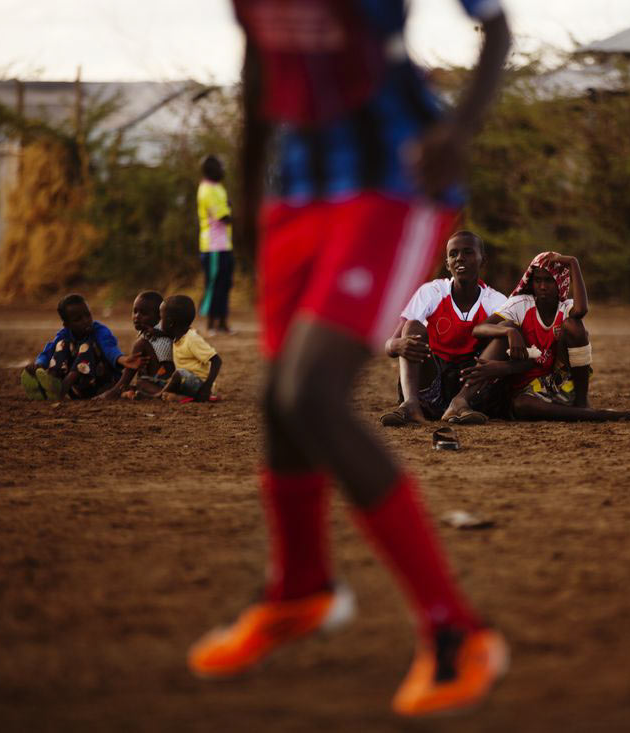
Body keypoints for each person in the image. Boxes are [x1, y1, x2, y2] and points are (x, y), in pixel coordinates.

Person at [188, 0, 512, 717]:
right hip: (293, 199)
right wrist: (252, 209)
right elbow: (258, 74)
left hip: (391, 188)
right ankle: (299, 591)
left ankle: (459, 629)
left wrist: (458, 131)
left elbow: (498, 25)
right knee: (279, 400)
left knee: (312, 396)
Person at [442, 252, 630, 422]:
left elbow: (581, 310)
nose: (542, 286)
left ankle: (583, 404)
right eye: (538, 280)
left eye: (549, 280)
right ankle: (460, 401)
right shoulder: (522, 304)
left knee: (575, 327)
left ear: (560, 283)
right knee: (505, 330)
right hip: (524, 386)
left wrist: (572, 261)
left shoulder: (565, 308)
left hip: (557, 381)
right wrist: (510, 332)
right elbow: (479, 329)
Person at [380, 230, 507, 425]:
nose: (460, 258)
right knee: (413, 326)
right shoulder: (432, 292)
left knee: (504, 330)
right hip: (430, 386)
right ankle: (411, 404)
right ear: (447, 264)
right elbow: (391, 344)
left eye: (468, 252)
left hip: (471, 387)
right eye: (453, 254)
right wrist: (396, 346)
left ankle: (459, 402)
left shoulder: (496, 301)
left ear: (483, 260)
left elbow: (507, 345)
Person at [20, 293, 136, 401]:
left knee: (86, 346)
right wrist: (39, 364)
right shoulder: (64, 334)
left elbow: (109, 348)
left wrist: (123, 359)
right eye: (78, 319)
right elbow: (49, 350)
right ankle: (52, 380)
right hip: (78, 390)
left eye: (88, 315)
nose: (86, 321)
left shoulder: (99, 330)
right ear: (67, 325)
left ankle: (60, 390)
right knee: (61, 344)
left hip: (102, 384)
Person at [96, 291, 175, 400]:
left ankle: (117, 390)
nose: (137, 317)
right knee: (138, 385)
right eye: (135, 311)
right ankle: (131, 391)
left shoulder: (160, 331)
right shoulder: (152, 331)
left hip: (165, 380)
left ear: (158, 317)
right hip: (157, 380)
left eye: (143, 313)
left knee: (140, 346)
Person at [157, 295, 222, 403]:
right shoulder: (177, 336)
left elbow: (217, 361)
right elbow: (167, 333)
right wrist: (156, 333)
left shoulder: (192, 339)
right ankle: (181, 397)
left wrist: (206, 387)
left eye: (161, 318)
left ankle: (158, 395)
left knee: (178, 374)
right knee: (162, 378)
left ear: (170, 322)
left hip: (200, 384)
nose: (158, 323)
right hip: (187, 381)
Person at [197, 155, 234, 336]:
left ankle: (223, 323)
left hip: (224, 244)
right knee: (214, 284)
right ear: (212, 169)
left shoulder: (218, 187)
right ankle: (211, 323)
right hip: (212, 246)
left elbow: (227, 209)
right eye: (221, 166)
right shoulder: (207, 189)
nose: (223, 169)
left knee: (225, 284)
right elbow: (224, 216)